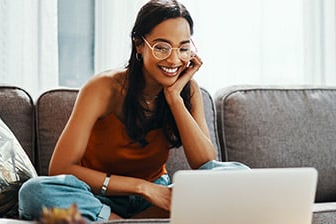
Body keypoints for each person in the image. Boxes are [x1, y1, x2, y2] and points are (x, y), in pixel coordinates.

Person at [18, 0, 248, 221]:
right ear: (139, 44)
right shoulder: (103, 88)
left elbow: (205, 162)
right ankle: (116, 220)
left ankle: (127, 221)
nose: (174, 59)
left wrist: (174, 98)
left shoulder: (187, 90)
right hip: (96, 195)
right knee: (33, 193)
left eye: (183, 48)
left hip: (156, 200)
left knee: (237, 175)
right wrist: (142, 187)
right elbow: (61, 167)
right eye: (162, 47)